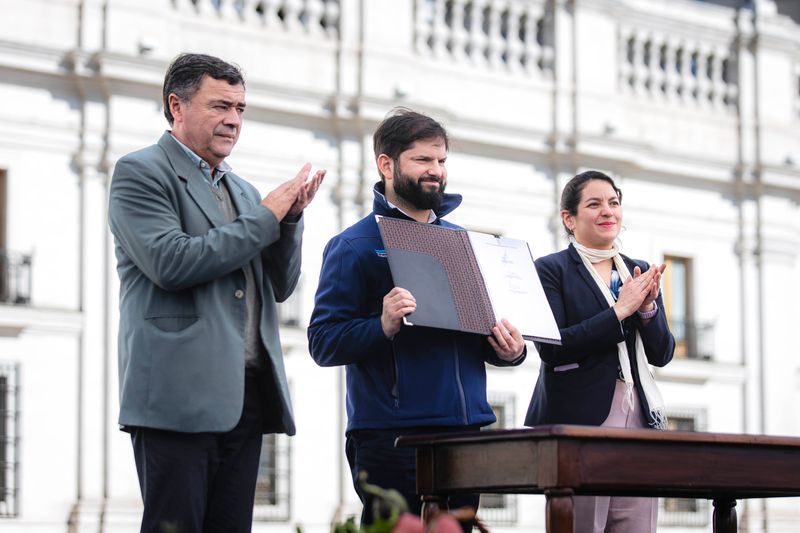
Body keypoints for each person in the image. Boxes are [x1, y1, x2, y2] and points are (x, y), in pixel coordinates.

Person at [108, 53, 325, 533]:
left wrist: (288, 222)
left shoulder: (247, 193)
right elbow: (172, 262)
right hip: (176, 396)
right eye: (220, 105)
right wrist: (268, 217)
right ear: (177, 106)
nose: (233, 120)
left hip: (244, 396)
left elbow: (280, 286)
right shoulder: (140, 172)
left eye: (240, 109)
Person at [307, 108, 527, 523]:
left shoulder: (465, 242)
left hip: (466, 432)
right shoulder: (353, 245)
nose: (436, 171)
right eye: (423, 160)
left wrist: (509, 351)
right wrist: (382, 325)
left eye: (441, 161)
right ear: (386, 164)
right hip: (394, 437)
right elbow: (322, 342)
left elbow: (480, 336)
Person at [524, 170, 674, 532]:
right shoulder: (551, 270)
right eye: (594, 204)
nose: (608, 211)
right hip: (582, 416)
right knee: (583, 525)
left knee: (637, 525)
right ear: (569, 218)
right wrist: (619, 311)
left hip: (640, 415)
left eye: (614, 202)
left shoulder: (636, 269)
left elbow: (663, 353)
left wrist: (647, 310)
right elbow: (553, 347)